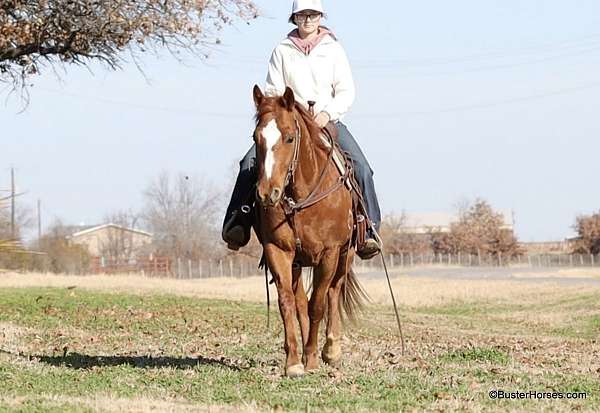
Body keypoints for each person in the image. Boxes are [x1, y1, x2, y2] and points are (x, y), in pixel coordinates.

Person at [222, 0, 382, 259]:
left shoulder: (334, 50)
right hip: (288, 123)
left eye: (312, 15)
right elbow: (273, 89)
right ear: (294, 18)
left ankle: (369, 230)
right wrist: (279, 114)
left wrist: (327, 113)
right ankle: (237, 222)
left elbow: (346, 91)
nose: (307, 20)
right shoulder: (282, 50)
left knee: (362, 167)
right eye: (302, 15)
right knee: (248, 163)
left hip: (325, 121)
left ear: (320, 17)